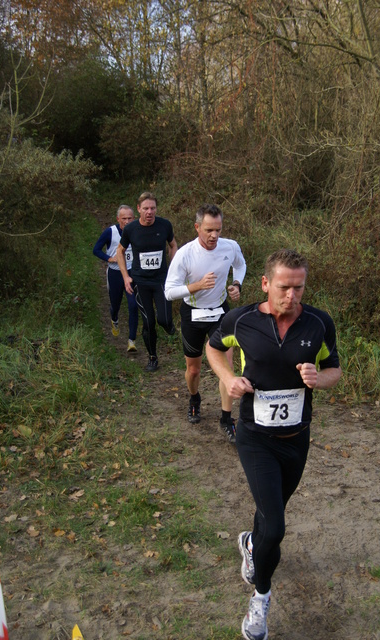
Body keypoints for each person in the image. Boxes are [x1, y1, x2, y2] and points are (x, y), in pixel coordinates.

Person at [206, 248, 342, 640]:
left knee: (270, 514)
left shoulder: (318, 323)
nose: (292, 296)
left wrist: (320, 378)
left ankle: (251, 542)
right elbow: (214, 348)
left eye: (299, 288)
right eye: (284, 287)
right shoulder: (243, 319)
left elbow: (335, 369)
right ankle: (261, 598)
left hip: (297, 439)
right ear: (266, 283)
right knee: (277, 527)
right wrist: (228, 379)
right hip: (255, 438)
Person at [164, 203, 246, 443]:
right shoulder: (185, 254)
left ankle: (226, 418)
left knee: (227, 367)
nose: (214, 236)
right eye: (209, 230)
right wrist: (196, 286)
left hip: (220, 312)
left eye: (218, 230)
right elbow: (169, 292)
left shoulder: (230, 247)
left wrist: (237, 284)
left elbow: (240, 265)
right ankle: (194, 398)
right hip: (193, 314)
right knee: (194, 369)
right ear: (197, 227)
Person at [116, 192, 177, 372]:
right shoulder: (131, 229)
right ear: (139, 210)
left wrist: (173, 268)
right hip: (140, 282)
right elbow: (120, 251)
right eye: (146, 209)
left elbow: (173, 245)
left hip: (161, 281)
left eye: (153, 208)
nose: (150, 212)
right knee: (148, 321)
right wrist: (126, 276)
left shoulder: (164, 225)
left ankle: (168, 325)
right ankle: (152, 357)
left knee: (164, 319)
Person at [93, 205, 139, 352]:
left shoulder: (137, 231)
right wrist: (109, 258)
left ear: (134, 218)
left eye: (129, 218)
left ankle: (132, 341)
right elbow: (96, 250)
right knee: (116, 304)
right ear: (118, 219)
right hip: (115, 274)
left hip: (131, 273)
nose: (126, 221)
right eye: (123, 218)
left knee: (133, 305)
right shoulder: (110, 232)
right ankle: (114, 319)